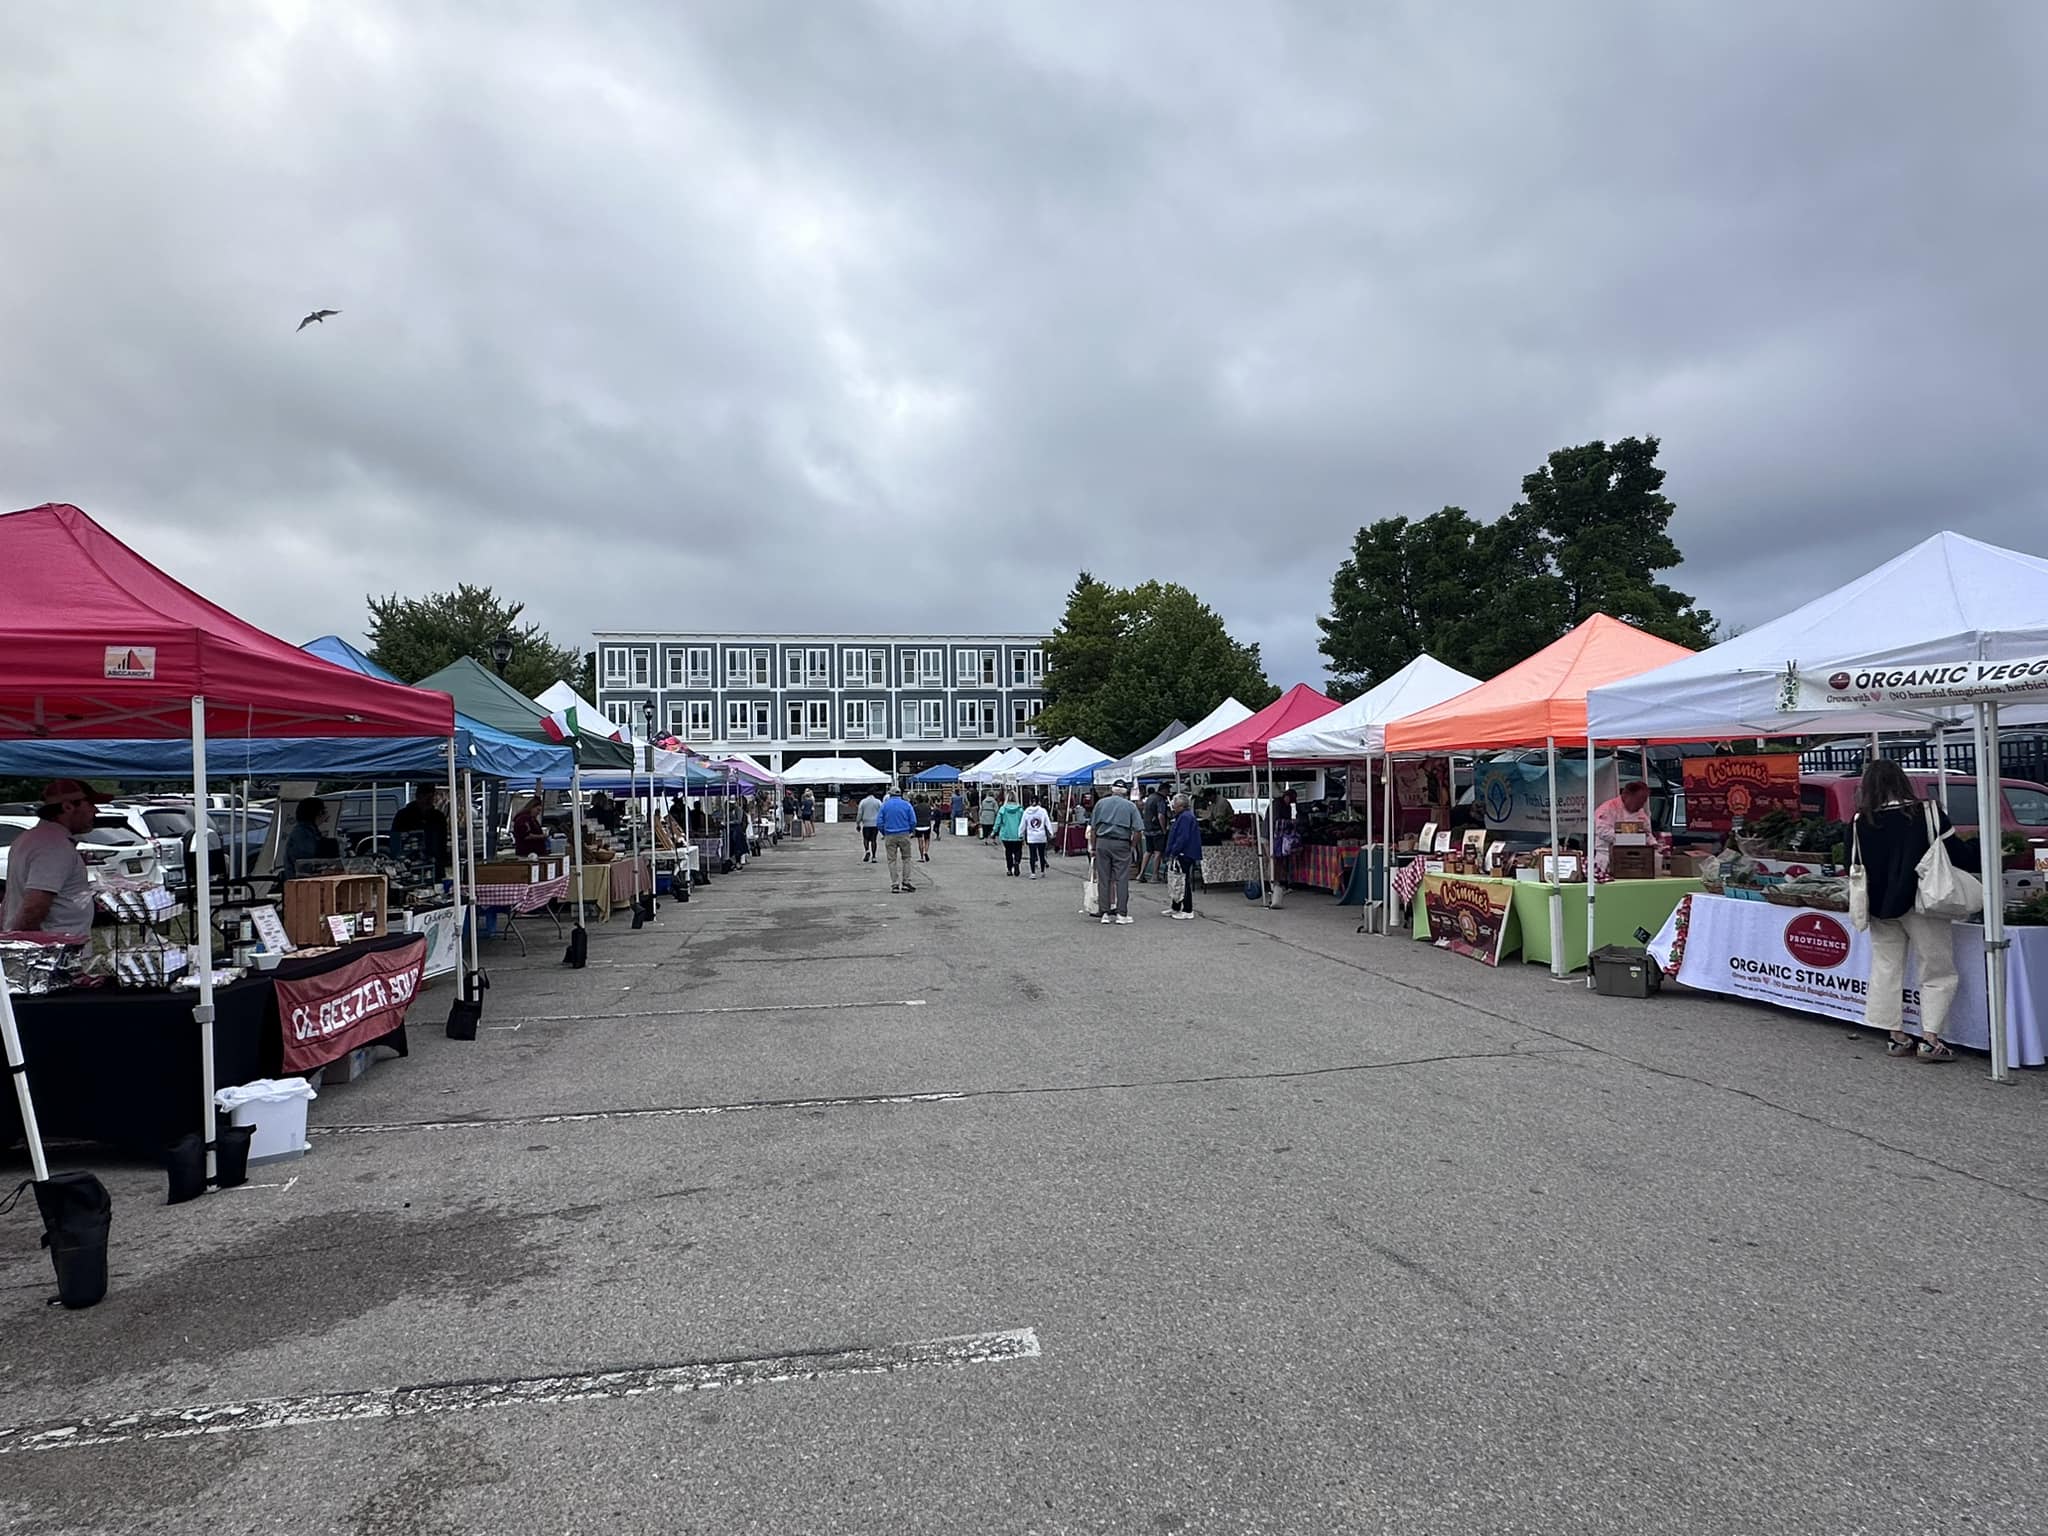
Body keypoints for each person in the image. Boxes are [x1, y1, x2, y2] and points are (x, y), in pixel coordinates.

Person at [1853, 759, 1980, 1063]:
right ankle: (1931, 1038)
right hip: (1924, 902)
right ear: (1903, 780)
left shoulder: (1861, 820)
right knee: (1936, 968)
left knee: (1886, 967)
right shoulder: (1927, 812)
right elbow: (1959, 855)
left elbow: (1854, 862)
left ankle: (1895, 1035)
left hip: (1880, 906)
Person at [0, 780, 99, 935]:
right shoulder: (54, 846)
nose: (96, 810)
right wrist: (22, 943)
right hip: (55, 951)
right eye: (90, 804)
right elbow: (34, 907)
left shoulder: (30, 838)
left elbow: (12, 897)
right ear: (68, 806)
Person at [1090, 778, 1145, 925]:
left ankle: (1105, 913)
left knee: (1104, 878)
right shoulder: (1130, 806)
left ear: (1112, 790)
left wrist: (1094, 848)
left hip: (1102, 842)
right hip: (1121, 843)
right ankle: (1121, 913)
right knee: (1121, 879)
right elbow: (1138, 830)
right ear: (1125, 792)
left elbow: (1093, 828)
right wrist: (1132, 846)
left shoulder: (1100, 803)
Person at [1592, 780, 1653, 878]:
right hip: (1607, 860)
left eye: (1644, 801)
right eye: (1639, 799)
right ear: (1626, 795)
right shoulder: (1607, 809)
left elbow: (1648, 834)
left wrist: (1654, 844)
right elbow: (1602, 832)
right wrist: (1630, 838)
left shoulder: (1642, 814)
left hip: (1636, 862)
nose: (1642, 804)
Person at [390, 783, 449, 873]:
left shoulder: (438, 817)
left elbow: (442, 841)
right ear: (418, 796)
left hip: (435, 866)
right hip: (409, 866)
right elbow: (395, 839)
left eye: (431, 797)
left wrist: (440, 859)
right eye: (425, 797)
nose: (429, 801)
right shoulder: (403, 815)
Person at [1165, 792, 1203, 919]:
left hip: (1184, 853)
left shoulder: (1185, 817)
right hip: (1182, 852)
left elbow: (1183, 837)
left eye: (1174, 805)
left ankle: (1188, 910)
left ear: (1180, 806)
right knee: (1176, 880)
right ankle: (1175, 907)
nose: (1173, 807)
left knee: (1183, 881)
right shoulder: (1182, 816)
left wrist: (1175, 851)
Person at [278, 796, 331, 881]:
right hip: (301, 882)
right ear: (319, 813)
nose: (326, 814)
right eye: (324, 811)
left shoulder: (308, 831)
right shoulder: (303, 833)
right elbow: (307, 861)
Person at [876, 786, 918, 892]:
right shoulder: (907, 805)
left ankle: (894, 884)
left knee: (892, 860)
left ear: (890, 794)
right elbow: (913, 821)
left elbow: (879, 822)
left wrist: (884, 832)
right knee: (906, 859)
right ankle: (906, 882)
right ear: (900, 794)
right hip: (904, 833)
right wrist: (910, 831)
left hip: (890, 834)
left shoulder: (885, 806)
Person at [1139, 782, 1171, 883]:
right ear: (1164, 790)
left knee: (1148, 851)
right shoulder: (1160, 799)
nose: (1169, 793)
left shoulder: (1150, 798)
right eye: (1168, 791)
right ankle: (1155, 876)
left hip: (1148, 829)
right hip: (1157, 830)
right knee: (1158, 852)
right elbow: (1161, 816)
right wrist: (1164, 829)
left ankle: (1141, 873)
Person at [1021, 796, 1053, 877]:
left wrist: (1020, 833)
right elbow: (1047, 822)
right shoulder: (1043, 811)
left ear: (1030, 802)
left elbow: (1023, 824)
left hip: (1031, 837)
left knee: (1032, 855)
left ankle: (1033, 873)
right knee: (1041, 855)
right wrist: (1051, 832)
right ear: (1039, 802)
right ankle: (1042, 871)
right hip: (1041, 836)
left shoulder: (1026, 811)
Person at [996, 794, 1025, 876]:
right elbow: (1023, 822)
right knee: (1018, 850)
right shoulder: (1020, 810)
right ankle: (1016, 862)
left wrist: (994, 831)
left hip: (1006, 834)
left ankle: (1009, 869)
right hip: (1017, 834)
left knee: (1008, 851)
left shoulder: (1003, 809)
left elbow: (998, 821)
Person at [856, 790, 883, 863]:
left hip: (866, 823)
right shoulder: (878, 802)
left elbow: (860, 813)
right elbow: (881, 812)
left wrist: (858, 823)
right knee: (874, 840)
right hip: (875, 823)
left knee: (866, 839)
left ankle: (867, 851)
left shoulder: (863, 802)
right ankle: (874, 857)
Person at [914, 795, 933, 862]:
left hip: (918, 826)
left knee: (920, 841)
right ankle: (926, 851)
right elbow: (931, 814)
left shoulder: (915, 807)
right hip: (927, 825)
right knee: (927, 839)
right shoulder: (928, 806)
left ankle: (921, 857)